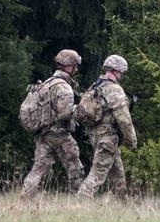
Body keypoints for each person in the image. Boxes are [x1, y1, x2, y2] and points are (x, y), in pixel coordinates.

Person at [21, 49, 85, 196]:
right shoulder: (63, 86)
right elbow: (65, 113)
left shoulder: (47, 83)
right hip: (59, 133)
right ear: (69, 67)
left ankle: (25, 195)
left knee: (39, 168)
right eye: (75, 65)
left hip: (43, 132)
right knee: (75, 166)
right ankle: (81, 199)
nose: (77, 69)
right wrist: (81, 110)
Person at [76, 55, 136, 198]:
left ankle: (122, 203)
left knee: (118, 174)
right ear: (117, 71)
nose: (122, 75)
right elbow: (124, 120)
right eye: (122, 72)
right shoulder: (114, 90)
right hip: (108, 139)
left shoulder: (95, 86)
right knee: (97, 175)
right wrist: (132, 141)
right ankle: (80, 200)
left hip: (96, 137)